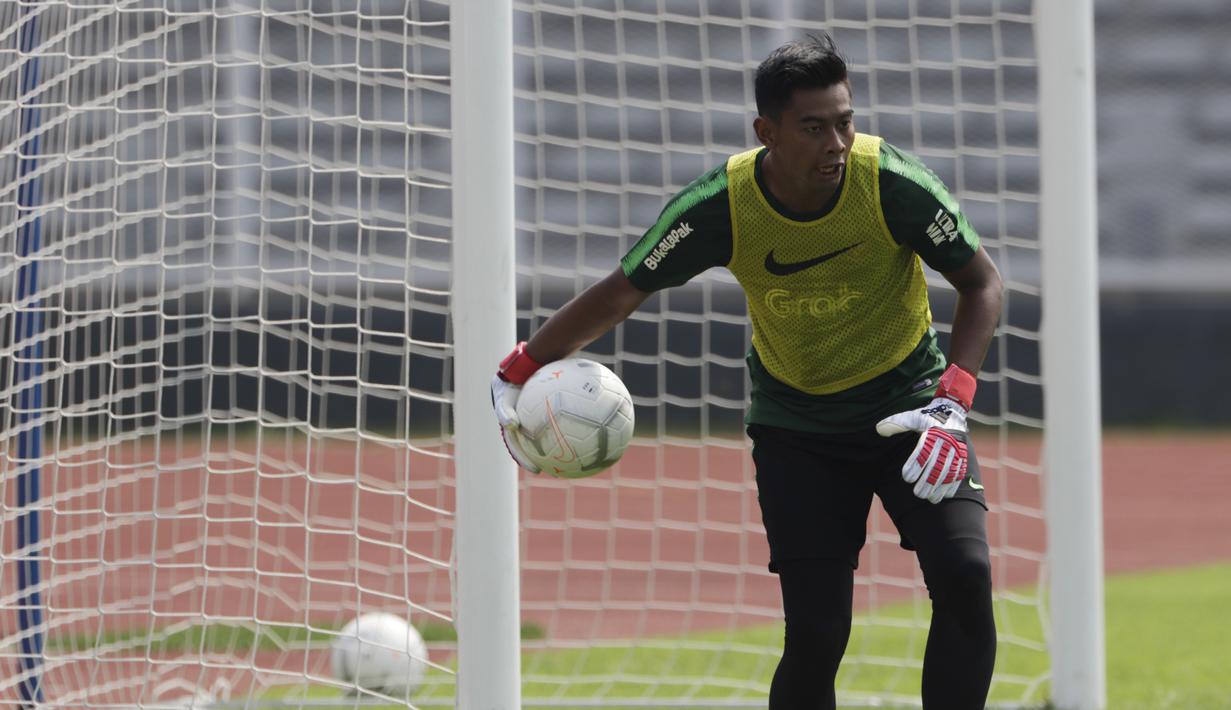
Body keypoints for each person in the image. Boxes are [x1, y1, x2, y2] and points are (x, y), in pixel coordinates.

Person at [491, 33, 1003, 710]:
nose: (836, 144)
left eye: (845, 122)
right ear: (767, 132)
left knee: (965, 575)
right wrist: (521, 366)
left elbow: (983, 283)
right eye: (814, 128)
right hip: (799, 429)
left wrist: (952, 400)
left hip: (914, 414)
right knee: (817, 632)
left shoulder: (892, 184)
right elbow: (621, 291)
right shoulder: (720, 206)